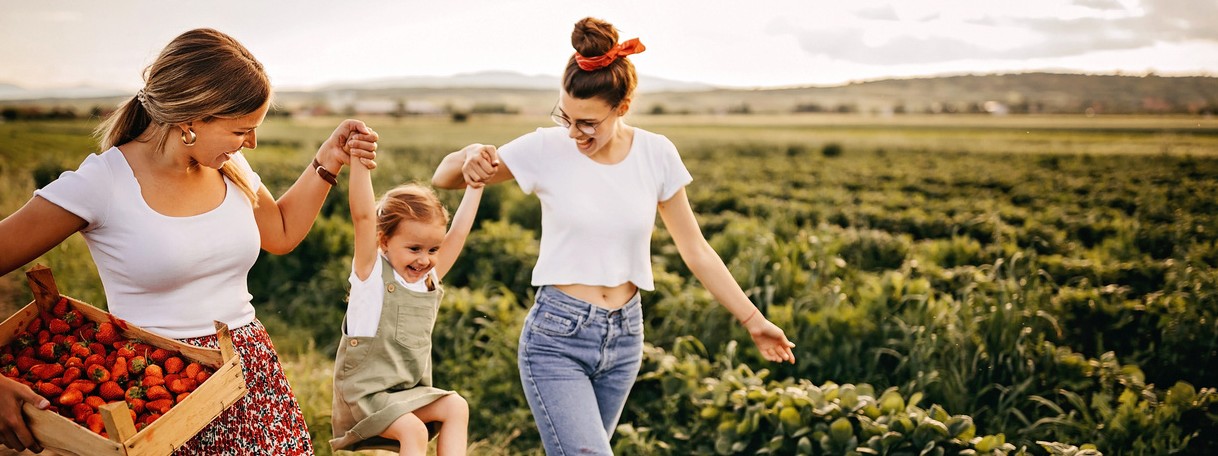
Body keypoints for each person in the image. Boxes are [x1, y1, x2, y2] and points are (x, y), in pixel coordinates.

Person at [0, 28, 379, 455]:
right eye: (241, 130)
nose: (250, 143)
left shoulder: (229, 167)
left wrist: (328, 159)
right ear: (192, 120)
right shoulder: (102, 183)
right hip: (156, 390)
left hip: (252, 379)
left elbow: (283, 232)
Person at [432, 17, 797, 455]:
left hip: (625, 338)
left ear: (621, 108)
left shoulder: (656, 153)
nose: (574, 133)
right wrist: (471, 153)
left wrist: (753, 320)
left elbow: (696, 250)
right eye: (565, 117)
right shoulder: (547, 148)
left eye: (587, 123)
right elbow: (445, 177)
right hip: (557, 337)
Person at [328, 147, 482, 455]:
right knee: (413, 429)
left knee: (456, 406)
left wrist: (476, 185)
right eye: (414, 249)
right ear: (384, 241)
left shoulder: (429, 279)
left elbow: (460, 232)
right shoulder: (371, 275)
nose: (425, 259)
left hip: (405, 393)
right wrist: (360, 161)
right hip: (365, 395)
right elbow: (362, 216)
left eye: (433, 249)